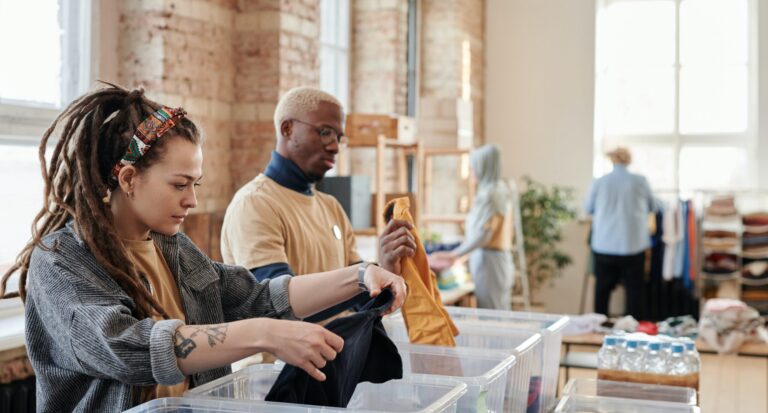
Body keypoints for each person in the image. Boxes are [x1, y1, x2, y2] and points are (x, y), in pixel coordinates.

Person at [0, 85, 406, 413]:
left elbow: (255, 297)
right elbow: (126, 347)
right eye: (179, 184)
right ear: (128, 178)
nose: (192, 200)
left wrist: (360, 276)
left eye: (196, 184)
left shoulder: (171, 246)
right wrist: (263, 334)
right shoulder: (61, 262)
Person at [221, 87, 416, 322]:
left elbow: (361, 303)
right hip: (281, 349)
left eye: (339, 138)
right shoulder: (255, 204)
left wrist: (385, 269)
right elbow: (275, 307)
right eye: (325, 132)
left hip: (335, 346)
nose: (334, 146)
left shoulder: (331, 207)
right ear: (287, 128)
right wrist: (362, 276)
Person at [427, 144, 515, 310]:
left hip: (490, 262)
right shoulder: (498, 190)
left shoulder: (491, 194)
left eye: (474, 168)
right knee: (498, 309)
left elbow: (484, 235)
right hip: (494, 260)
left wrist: (454, 254)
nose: (471, 172)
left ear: (483, 167)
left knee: (492, 313)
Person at [584, 147, 656, 317]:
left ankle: (600, 326)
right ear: (628, 160)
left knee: (602, 291)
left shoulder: (600, 182)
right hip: (633, 246)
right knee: (634, 293)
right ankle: (633, 329)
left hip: (604, 245)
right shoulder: (640, 181)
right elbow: (652, 206)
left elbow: (588, 208)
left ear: (612, 160)